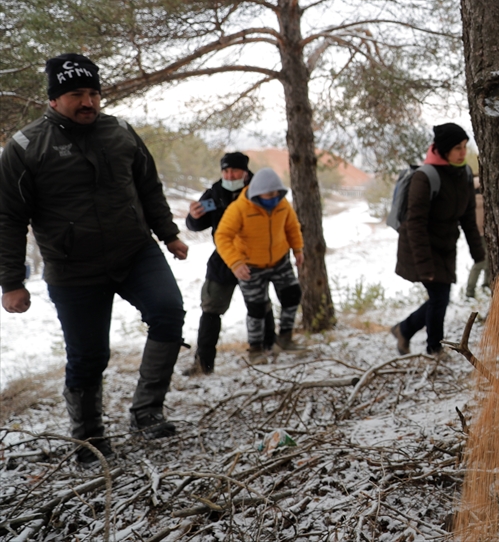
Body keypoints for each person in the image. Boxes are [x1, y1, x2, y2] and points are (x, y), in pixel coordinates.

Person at [0, 54, 189, 463]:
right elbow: (9, 218)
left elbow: (147, 187)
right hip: (73, 267)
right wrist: (12, 281)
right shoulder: (26, 147)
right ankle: (89, 437)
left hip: (135, 251)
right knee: (88, 357)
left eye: (93, 93)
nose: (87, 102)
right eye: (75, 94)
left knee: (169, 311)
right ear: (53, 100)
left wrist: (168, 233)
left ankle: (146, 410)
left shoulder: (120, 131)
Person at [390, 124, 485, 356]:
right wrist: (424, 265)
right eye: (456, 148)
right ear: (443, 150)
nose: (462, 152)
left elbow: (468, 218)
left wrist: (478, 253)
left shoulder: (463, 173)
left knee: (440, 298)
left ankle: (404, 329)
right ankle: (434, 348)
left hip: (445, 246)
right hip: (419, 246)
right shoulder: (425, 177)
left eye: (464, 147)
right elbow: (415, 224)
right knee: (440, 297)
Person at [183, 151, 275, 374]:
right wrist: (193, 218)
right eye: (225, 170)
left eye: (234, 170)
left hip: (254, 258)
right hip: (223, 258)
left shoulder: (260, 190)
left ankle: (268, 352)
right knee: (211, 308)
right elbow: (197, 224)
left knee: (259, 305)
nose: (230, 175)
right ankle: (203, 364)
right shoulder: (214, 193)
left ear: (245, 172)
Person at [214, 167, 305, 365]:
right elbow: (222, 236)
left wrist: (297, 249)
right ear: (257, 192)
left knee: (292, 295)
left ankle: (285, 339)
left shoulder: (282, 204)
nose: (273, 197)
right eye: (269, 194)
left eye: (276, 193)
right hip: (250, 266)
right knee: (257, 308)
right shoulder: (239, 209)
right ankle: (255, 350)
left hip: (280, 261)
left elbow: (292, 226)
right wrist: (235, 263)